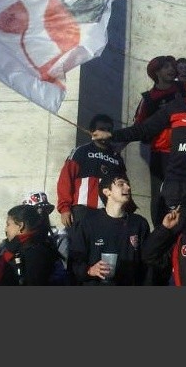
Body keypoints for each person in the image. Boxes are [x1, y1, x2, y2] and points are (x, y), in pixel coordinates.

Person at [93, 71, 186, 231]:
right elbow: (145, 129)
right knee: (175, 228)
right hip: (177, 182)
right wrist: (112, 135)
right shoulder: (175, 107)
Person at [57, 113, 127, 284]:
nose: (105, 133)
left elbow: (124, 185)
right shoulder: (81, 151)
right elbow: (65, 179)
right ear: (92, 131)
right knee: (79, 254)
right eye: (101, 129)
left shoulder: (117, 157)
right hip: (82, 211)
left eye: (109, 130)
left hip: (107, 214)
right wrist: (65, 208)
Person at [133, 55, 186, 227]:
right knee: (158, 195)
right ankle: (159, 229)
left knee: (185, 192)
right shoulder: (148, 98)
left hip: (185, 150)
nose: (172, 69)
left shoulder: (184, 89)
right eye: (166, 67)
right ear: (156, 72)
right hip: (160, 153)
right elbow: (138, 127)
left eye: (172, 66)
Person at [68, 174, 151, 286]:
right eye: (121, 184)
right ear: (107, 192)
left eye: (128, 184)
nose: (128, 187)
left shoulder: (139, 224)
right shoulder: (88, 223)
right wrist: (89, 270)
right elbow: (75, 261)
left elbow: (147, 263)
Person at [0, 204, 59, 286]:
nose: (6, 229)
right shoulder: (8, 247)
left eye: (8, 224)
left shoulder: (36, 252)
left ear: (20, 226)